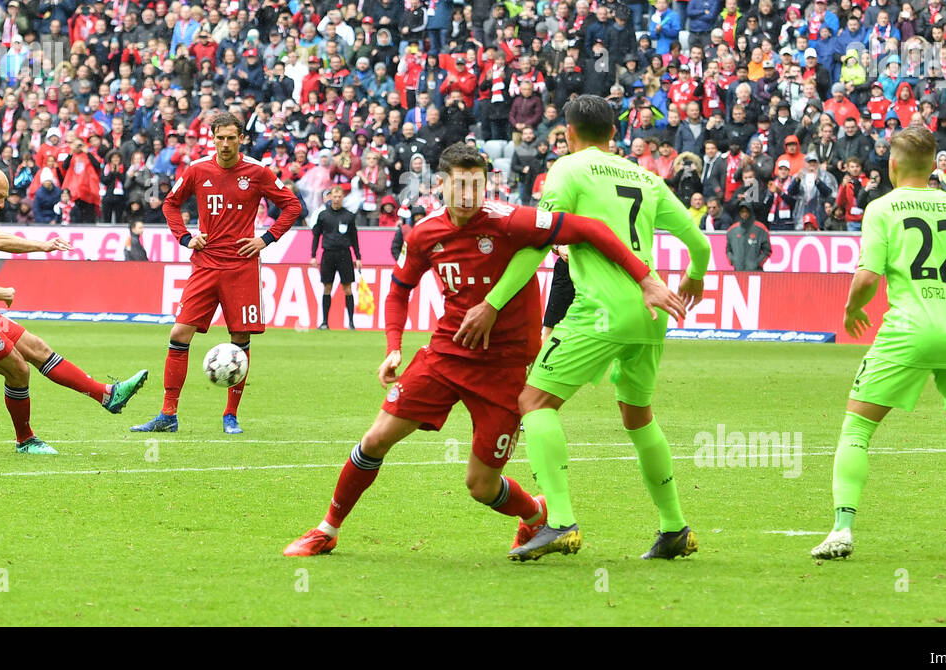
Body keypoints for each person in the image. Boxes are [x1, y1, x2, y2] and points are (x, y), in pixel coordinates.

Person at [283, 143, 684, 557]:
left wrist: (645, 279)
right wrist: (393, 348)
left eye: (478, 183)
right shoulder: (423, 234)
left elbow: (592, 230)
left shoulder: (511, 221)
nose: (470, 193)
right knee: (375, 439)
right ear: (440, 184)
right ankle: (327, 529)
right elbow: (398, 291)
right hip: (446, 355)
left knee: (481, 485)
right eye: (461, 184)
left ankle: (534, 515)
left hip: (505, 367)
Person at [455, 95, 711, 561]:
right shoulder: (646, 177)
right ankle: (674, 527)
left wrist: (492, 302)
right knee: (638, 416)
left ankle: (560, 522)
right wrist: (695, 273)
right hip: (651, 312)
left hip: (600, 310)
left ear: (569, 133)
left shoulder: (568, 171)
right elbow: (699, 241)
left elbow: (538, 243)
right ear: (614, 134)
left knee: (534, 401)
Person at [810, 126, 946, 560]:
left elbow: (866, 279)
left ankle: (843, 528)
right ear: (935, 164)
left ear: (892, 165)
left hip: (907, 330)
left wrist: (849, 309)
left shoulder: (882, 208)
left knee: (858, 428)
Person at [0, 165, 148, 453]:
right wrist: (43, 246)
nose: (2, 204)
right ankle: (26, 440)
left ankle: (108, 395)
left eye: (5, 198)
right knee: (18, 369)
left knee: (36, 348)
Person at [131, 112, 303, 436]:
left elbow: (292, 206)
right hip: (206, 263)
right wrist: (185, 237)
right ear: (212, 137)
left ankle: (230, 415)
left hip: (241, 266)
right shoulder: (198, 170)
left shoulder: (257, 172)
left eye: (231, 138)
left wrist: (265, 239)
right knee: (179, 334)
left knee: (240, 339)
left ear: (242, 139)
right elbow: (170, 204)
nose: (225, 144)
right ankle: (168, 414)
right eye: (220, 138)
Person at [311, 184, 361, 329]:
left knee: (348, 288)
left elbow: (354, 238)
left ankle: (351, 323)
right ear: (330, 197)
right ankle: (325, 322)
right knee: (327, 287)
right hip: (328, 254)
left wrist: (358, 257)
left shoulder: (349, 216)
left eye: (340, 196)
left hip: (344, 254)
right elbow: (316, 236)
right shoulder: (323, 215)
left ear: (343, 197)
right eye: (335, 196)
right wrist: (313, 255)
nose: (337, 199)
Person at [725, 203, 771, 271]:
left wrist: (757, 263)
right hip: (738, 271)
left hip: (756, 272)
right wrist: (734, 261)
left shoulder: (760, 229)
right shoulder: (732, 230)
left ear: (751, 212)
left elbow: (767, 250)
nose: (744, 214)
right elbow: (728, 250)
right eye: (742, 211)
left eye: (746, 211)